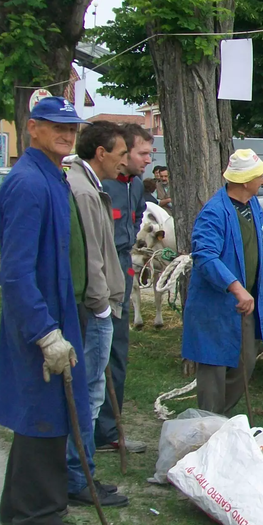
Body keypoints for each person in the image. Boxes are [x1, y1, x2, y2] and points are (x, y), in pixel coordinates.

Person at [0, 96, 95, 525]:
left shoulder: (52, 177)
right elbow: (15, 273)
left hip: (58, 311)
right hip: (40, 319)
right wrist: (45, 332)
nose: (67, 135)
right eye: (56, 126)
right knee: (45, 415)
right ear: (31, 127)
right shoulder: (28, 183)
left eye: (72, 128)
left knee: (47, 409)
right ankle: (40, 519)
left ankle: (17, 503)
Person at [183, 150, 263, 414]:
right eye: (260, 175)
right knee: (214, 366)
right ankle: (209, 423)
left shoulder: (252, 204)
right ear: (247, 180)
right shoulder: (214, 212)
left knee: (246, 362)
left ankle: (219, 416)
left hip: (245, 302)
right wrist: (236, 289)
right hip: (217, 304)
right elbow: (205, 256)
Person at [62, 121, 130, 508]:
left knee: (89, 392)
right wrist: (102, 304)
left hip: (96, 305)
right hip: (94, 309)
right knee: (87, 394)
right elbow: (91, 254)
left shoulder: (89, 185)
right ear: (100, 153)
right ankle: (79, 475)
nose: (123, 161)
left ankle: (81, 471)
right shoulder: (85, 191)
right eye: (120, 153)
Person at [95, 123, 153, 455]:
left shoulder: (135, 187)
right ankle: (90, 432)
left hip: (123, 275)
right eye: (142, 153)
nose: (148, 159)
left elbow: (134, 222)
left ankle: (108, 431)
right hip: (101, 277)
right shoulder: (101, 184)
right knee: (95, 354)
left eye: (149, 153)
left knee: (117, 354)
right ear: (123, 152)